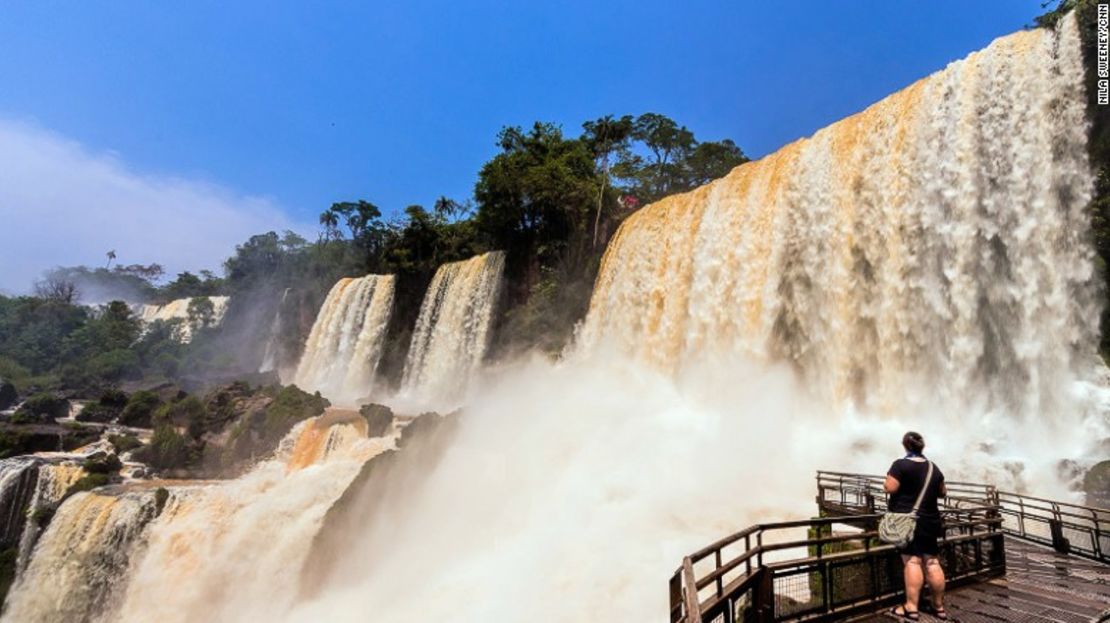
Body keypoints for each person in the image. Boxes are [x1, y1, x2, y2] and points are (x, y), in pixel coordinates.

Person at [884, 431, 948, 621]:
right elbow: (942, 492)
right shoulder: (933, 468)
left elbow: (891, 488)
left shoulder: (900, 465)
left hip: (907, 522)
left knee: (912, 561)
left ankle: (911, 607)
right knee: (932, 562)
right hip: (930, 521)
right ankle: (939, 607)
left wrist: (886, 481)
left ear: (905, 445)